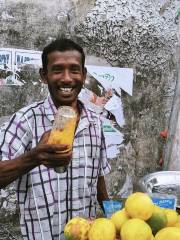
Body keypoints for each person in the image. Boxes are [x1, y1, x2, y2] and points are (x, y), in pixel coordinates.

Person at [0, 38, 111, 240]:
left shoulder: (95, 122)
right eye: (58, 70)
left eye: (74, 70)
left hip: (86, 235)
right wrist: (34, 157)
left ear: (84, 75)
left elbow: (99, 176)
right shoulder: (25, 121)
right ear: (44, 75)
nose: (67, 78)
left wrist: (114, 219)